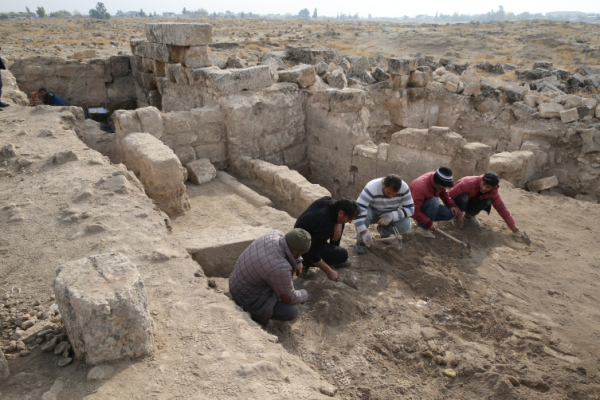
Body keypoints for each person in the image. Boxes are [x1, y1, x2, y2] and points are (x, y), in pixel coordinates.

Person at [229, 228, 311, 325]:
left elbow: (288, 250)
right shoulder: (280, 267)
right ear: (296, 253)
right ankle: (256, 317)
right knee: (291, 311)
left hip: (235, 283)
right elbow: (288, 298)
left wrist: (298, 260)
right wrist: (304, 294)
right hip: (245, 299)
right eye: (300, 254)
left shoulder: (274, 234)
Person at [294, 197, 360, 281]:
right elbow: (313, 252)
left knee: (341, 223)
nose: (350, 222)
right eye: (349, 218)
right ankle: (304, 264)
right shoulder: (325, 224)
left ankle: (332, 253)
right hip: (301, 249)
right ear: (341, 213)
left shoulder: (328, 200)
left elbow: (337, 213)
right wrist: (329, 271)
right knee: (343, 255)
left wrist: (339, 223)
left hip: (302, 235)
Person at [354, 174, 415, 255]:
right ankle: (361, 240)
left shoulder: (404, 188)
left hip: (390, 215)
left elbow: (410, 209)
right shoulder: (372, 187)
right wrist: (364, 234)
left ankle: (384, 232)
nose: (391, 196)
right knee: (363, 214)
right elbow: (358, 210)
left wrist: (393, 215)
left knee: (406, 224)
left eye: (394, 194)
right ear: (383, 184)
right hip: (373, 213)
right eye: (388, 192)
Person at [448, 172, 520, 233]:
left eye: (488, 187)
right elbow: (448, 196)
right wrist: (458, 215)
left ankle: (469, 215)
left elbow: (501, 208)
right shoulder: (468, 183)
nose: (484, 188)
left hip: (470, 203)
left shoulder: (493, 192)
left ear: (493, 187)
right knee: (463, 197)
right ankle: (454, 216)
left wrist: (512, 225)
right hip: (456, 204)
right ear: (482, 179)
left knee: (488, 200)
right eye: (484, 184)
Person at [409, 167, 463, 239]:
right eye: (443, 186)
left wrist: (451, 205)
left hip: (426, 205)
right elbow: (414, 210)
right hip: (412, 209)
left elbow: (444, 193)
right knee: (435, 201)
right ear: (437, 182)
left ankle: (421, 221)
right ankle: (422, 228)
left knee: (449, 214)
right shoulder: (420, 188)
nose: (444, 187)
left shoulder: (437, 181)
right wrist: (428, 224)